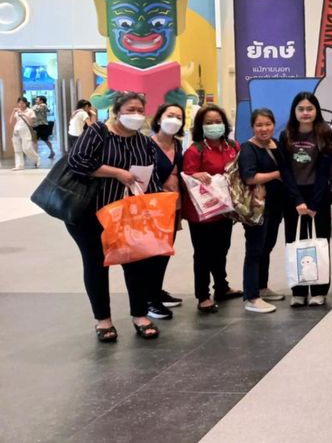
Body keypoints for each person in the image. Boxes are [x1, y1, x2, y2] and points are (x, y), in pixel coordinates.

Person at [66, 92, 165, 341]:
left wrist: (154, 205)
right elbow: (77, 161)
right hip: (91, 212)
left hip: (128, 215)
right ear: (117, 112)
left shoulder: (144, 142)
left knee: (136, 264)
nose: (136, 115)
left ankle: (140, 315)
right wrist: (117, 173)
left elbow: (151, 176)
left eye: (140, 110)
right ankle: (103, 321)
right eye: (130, 110)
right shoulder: (99, 131)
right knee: (96, 264)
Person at [182, 104, 242, 314]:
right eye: (209, 122)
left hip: (224, 210)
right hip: (202, 213)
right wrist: (195, 175)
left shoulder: (232, 146)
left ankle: (222, 286)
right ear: (200, 126)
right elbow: (186, 177)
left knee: (221, 249)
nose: (214, 125)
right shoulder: (195, 150)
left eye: (218, 121)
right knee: (203, 254)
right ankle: (203, 295)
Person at [279, 92, 332, 308]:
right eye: (301, 109)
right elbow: (284, 169)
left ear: (316, 111)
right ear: (294, 111)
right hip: (293, 197)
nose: (305, 113)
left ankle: (319, 290)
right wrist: (297, 200)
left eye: (309, 109)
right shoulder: (286, 135)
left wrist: (313, 203)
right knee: (295, 242)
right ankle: (299, 290)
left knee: (320, 243)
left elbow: (325, 171)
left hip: (318, 197)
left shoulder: (324, 133)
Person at [240, 108, 287, 314]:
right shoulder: (248, 148)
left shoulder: (276, 144)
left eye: (267, 124)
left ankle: (262, 287)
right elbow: (249, 177)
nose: (264, 129)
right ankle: (251, 296)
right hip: (257, 207)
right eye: (259, 125)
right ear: (252, 127)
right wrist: (276, 174)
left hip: (276, 205)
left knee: (266, 246)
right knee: (254, 250)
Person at [146, 103, 186, 320]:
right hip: (153, 208)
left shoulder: (177, 145)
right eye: (170, 115)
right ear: (159, 118)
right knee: (152, 254)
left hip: (173, 206)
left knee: (164, 251)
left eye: (179, 117)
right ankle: (149, 299)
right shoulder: (147, 144)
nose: (174, 120)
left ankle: (156, 291)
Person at [9, 97, 39, 170]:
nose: (21, 104)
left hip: (26, 130)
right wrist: (13, 112)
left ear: (26, 103)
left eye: (23, 103)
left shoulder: (30, 111)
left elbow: (32, 123)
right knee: (17, 149)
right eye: (19, 103)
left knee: (27, 148)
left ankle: (36, 159)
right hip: (16, 131)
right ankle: (19, 165)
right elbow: (10, 122)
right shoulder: (17, 111)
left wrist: (24, 114)